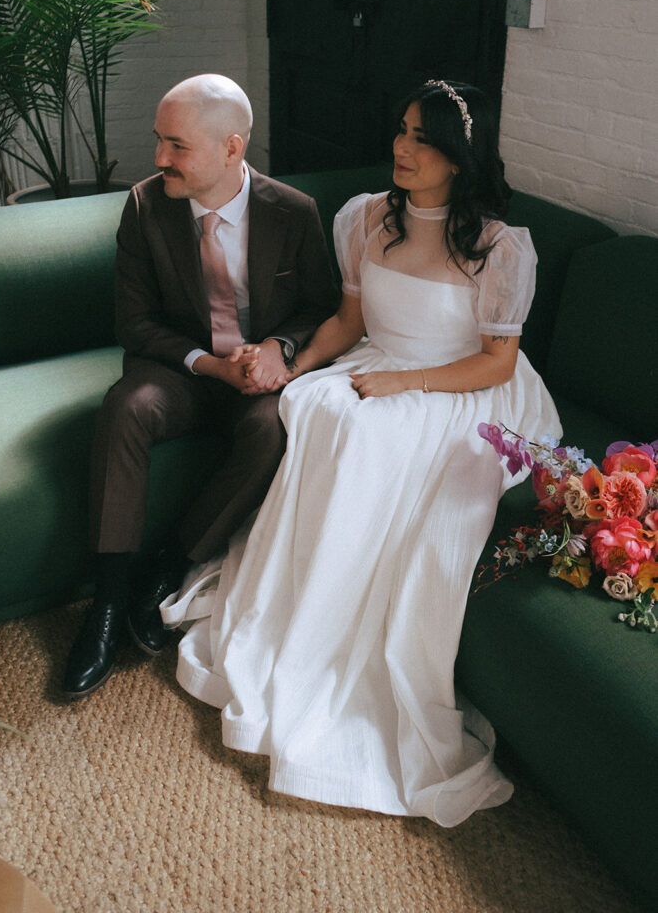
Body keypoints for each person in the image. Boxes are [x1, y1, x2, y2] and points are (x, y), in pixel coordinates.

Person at [161, 78, 562, 826]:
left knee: (368, 434)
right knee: (309, 406)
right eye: (402, 130)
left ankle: (348, 643)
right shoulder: (365, 217)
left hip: (460, 385)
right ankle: (294, 608)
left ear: (459, 156)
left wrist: (404, 384)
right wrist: (299, 364)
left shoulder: (500, 248)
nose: (401, 149)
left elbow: (495, 364)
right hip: (379, 357)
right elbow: (348, 319)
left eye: (422, 139)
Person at [62, 73, 339, 698]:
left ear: (232, 149)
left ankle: (170, 566)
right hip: (181, 372)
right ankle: (107, 603)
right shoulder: (144, 206)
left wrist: (278, 349)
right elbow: (133, 324)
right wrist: (209, 364)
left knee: (272, 430)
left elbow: (320, 308)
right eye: (159, 141)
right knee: (124, 405)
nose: (160, 158)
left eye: (177, 146)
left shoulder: (294, 212)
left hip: (257, 380)